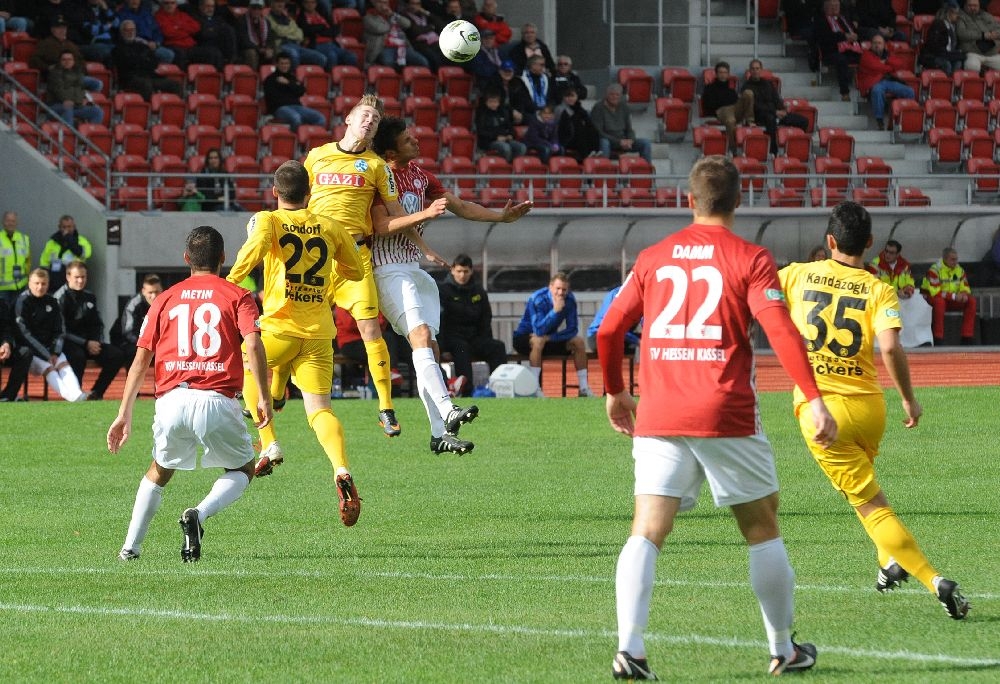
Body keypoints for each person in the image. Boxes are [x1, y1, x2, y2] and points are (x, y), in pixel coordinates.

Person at [596, 155, 837, 679]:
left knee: (646, 530)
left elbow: (609, 331)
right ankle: (782, 648)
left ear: (689, 201)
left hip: (658, 411)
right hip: (724, 409)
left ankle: (630, 650)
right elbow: (780, 331)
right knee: (761, 526)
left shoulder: (654, 256)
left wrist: (616, 392)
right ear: (738, 201)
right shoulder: (750, 258)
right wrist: (813, 396)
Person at [778, 201, 969, 621]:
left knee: (869, 504)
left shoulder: (795, 274)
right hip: (868, 407)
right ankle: (888, 564)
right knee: (865, 492)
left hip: (821, 409)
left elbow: (755, 297)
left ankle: (936, 581)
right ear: (869, 244)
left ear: (829, 241)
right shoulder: (877, 288)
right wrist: (908, 398)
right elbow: (889, 347)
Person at [109, 226, 271, 563]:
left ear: (186, 259)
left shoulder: (166, 298)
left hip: (172, 400)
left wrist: (124, 413)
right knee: (243, 469)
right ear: (224, 258)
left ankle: (130, 548)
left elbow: (142, 358)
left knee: (159, 470)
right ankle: (200, 512)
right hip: (217, 399)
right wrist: (264, 397)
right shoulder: (238, 295)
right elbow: (253, 343)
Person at [370, 117, 531, 452]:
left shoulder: (419, 175)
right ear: (389, 151)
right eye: (406, 138)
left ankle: (438, 434)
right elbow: (381, 226)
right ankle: (448, 408)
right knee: (421, 337)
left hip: (412, 268)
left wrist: (501, 217)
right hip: (386, 267)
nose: (415, 140)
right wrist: (425, 215)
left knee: (430, 348)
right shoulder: (377, 175)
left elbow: (460, 206)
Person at [226, 160, 367, 525]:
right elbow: (355, 269)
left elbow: (250, 254)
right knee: (320, 409)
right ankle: (341, 470)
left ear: (275, 192)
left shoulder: (268, 220)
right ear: (310, 194)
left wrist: (229, 283)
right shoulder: (331, 225)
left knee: (248, 367)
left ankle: (269, 441)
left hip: (278, 328)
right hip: (319, 333)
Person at [303, 94, 416, 437]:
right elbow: (296, 200)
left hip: (356, 255)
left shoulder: (378, 166)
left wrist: (421, 237)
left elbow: (397, 215)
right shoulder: (317, 156)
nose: (370, 121)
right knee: (301, 327)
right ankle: (277, 393)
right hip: (316, 257)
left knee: (370, 328)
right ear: (349, 120)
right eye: (365, 115)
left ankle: (385, 407)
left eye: (376, 120)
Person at [438, 253, 508, 397]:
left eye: (465, 271)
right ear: (452, 270)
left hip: (474, 337)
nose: (462, 275)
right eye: (459, 271)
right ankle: (466, 391)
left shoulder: (478, 291)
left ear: (471, 271)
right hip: (454, 338)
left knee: (497, 347)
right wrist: (442, 347)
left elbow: (485, 318)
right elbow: (441, 320)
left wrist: (486, 340)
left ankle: (500, 386)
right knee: (462, 349)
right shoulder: (443, 290)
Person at [513, 272, 594, 397]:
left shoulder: (570, 300)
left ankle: (583, 388)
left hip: (548, 338)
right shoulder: (537, 298)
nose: (561, 293)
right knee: (538, 340)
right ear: (550, 287)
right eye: (558, 289)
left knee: (578, 341)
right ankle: (534, 388)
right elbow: (538, 330)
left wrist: (551, 337)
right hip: (524, 337)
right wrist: (555, 311)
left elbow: (572, 329)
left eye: (564, 289)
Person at [13, 269, 87, 402]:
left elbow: (60, 330)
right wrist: (46, 354)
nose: (40, 287)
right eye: (37, 283)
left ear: (48, 284)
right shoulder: (22, 302)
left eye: (44, 284)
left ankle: (78, 394)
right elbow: (24, 334)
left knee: (63, 362)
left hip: (51, 350)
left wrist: (55, 351)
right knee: (49, 367)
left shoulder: (52, 301)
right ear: (29, 283)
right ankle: (72, 397)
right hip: (31, 353)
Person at [54, 260, 124, 401]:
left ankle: (96, 393)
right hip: (68, 342)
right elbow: (61, 330)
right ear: (68, 277)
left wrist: (96, 342)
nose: (80, 281)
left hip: (89, 342)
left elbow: (97, 323)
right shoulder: (59, 298)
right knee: (77, 356)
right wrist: (86, 343)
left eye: (83, 277)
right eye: (77, 277)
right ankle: (76, 394)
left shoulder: (89, 296)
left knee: (116, 355)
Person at [868, 240, 933, 348]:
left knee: (919, 302)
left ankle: (921, 339)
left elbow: (909, 281)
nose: (887, 255)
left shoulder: (904, 265)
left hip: (900, 296)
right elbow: (874, 285)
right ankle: (890, 342)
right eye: (886, 251)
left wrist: (908, 291)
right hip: (882, 297)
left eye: (891, 253)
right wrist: (895, 292)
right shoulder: (875, 264)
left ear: (898, 254)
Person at [741, 59, 809, 154]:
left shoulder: (768, 83)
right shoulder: (746, 87)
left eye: (757, 68)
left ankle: (796, 149)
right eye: (753, 69)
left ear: (761, 69)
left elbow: (776, 98)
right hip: (760, 115)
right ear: (750, 71)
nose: (755, 71)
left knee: (804, 121)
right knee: (770, 119)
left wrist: (782, 110)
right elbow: (756, 106)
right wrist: (775, 112)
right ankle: (773, 153)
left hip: (776, 113)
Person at [114, 19, 184, 102]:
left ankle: (173, 110)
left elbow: (154, 62)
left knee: (175, 85)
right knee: (146, 85)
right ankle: (148, 110)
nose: (131, 32)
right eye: (127, 30)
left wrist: (141, 61)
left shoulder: (142, 45)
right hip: (130, 79)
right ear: (122, 32)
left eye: (133, 30)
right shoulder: (117, 49)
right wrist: (143, 60)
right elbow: (128, 65)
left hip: (149, 76)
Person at [921, 247, 977, 345]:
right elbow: (935, 292)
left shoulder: (959, 270)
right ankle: (938, 338)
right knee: (939, 303)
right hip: (932, 298)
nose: (955, 262)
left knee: (971, 301)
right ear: (945, 259)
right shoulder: (934, 270)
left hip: (950, 299)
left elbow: (965, 286)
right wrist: (955, 296)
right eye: (952, 259)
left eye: (956, 259)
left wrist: (964, 294)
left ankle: (967, 337)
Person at [858, 34, 915, 130]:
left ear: (884, 45)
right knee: (877, 90)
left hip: (888, 81)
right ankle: (880, 120)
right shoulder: (865, 55)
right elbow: (875, 66)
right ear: (871, 45)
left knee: (910, 91)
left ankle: (904, 119)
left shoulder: (888, 54)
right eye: (875, 43)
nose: (877, 45)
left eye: (879, 43)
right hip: (873, 82)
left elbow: (900, 64)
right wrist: (889, 67)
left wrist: (886, 61)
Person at [262, 52, 326, 132]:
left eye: (287, 63)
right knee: (296, 118)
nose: (284, 66)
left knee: (320, 118)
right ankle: (295, 141)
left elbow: (301, 91)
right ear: (277, 64)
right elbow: (272, 99)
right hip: (280, 109)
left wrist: (288, 84)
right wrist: (291, 89)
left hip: (297, 106)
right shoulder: (270, 80)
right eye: (282, 63)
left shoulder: (291, 78)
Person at [590, 83, 653, 163]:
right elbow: (598, 132)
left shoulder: (624, 107)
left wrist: (630, 140)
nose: (614, 97)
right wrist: (618, 142)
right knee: (604, 142)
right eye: (612, 94)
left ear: (621, 96)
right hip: (608, 140)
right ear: (606, 95)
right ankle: (603, 170)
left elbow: (629, 129)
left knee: (645, 143)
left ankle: (646, 172)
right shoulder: (598, 108)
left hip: (623, 141)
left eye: (617, 95)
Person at [112, 273, 163, 371]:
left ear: (162, 290)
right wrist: (147, 344)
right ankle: (133, 383)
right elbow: (128, 332)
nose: (154, 296)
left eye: (157, 292)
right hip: (129, 341)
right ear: (143, 291)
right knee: (133, 352)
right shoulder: (134, 304)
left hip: (154, 342)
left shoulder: (166, 302)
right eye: (150, 292)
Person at [702, 60, 755, 153]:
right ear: (716, 74)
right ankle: (733, 151)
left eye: (725, 72)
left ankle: (750, 120)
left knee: (748, 93)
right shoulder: (709, 88)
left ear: (728, 74)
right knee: (731, 120)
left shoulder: (731, 91)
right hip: (721, 111)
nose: (723, 75)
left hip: (733, 109)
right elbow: (708, 105)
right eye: (720, 72)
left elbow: (735, 102)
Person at [155, 0, 224, 70]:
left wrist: (178, 27)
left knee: (213, 52)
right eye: (166, 3)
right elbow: (168, 33)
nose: (170, 5)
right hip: (173, 45)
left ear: (176, 4)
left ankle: (213, 78)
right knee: (181, 55)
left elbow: (196, 27)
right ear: (162, 4)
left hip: (189, 46)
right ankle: (182, 79)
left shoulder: (182, 14)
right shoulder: (158, 16)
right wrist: (186, 31)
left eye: (172, 3)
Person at [816, 0, 862, 101]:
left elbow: (855, 31)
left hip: (850, 49)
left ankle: (865, 89)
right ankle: (845, 93)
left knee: (866, 57)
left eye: (837, 5)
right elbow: (825, 38)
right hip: (831, 51)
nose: (835, 8)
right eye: (831, 6)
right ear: (825, 7)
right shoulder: (821, 20)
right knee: (842, 60)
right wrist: (844, 37)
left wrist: (855, 36)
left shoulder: (844, 19)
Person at [363, 0, 430, 68]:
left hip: (402, 47)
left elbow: (407, 24)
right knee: (388, 62)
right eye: (380, 2)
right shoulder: (368, 17)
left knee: (423, 62)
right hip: (384, 47)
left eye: (385, 3)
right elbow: (380, 29)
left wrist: (392, 14)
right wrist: (392, 21)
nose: (383, 5)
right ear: (375, 4)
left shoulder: (392, 15)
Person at [46, 50, 104, 126]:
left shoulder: (77, 74)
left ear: (73, 61)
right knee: (68, 106)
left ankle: (87, 135)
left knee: (97, 111)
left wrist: (85, 100)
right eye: (64, 60)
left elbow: (81, 91)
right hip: (56, 106)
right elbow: (61, 94)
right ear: (59, 62)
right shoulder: (55, 75)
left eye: (69, 59)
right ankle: (69, 135)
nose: (67, 62)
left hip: (75, 105)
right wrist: (79, 100)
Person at [39, 214, 93, 293]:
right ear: (59, 227)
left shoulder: (82, 241)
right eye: (64, 227)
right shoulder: (52, 242)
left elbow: (85, 254)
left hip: (74, 282)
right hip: (55, 282)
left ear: (74, 226)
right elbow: (44, 262)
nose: (66, 230)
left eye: (69, 227)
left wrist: (69, 240)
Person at [297, 0, 359, 69]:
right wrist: (322, 28)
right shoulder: (301, 17)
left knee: (351, 56)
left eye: (313, 2)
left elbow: (335, 30)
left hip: (332, 44)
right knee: (332, 55)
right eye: (307, 2)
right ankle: (331, 77)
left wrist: (319, 31)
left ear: (316, 4)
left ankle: (349, 77)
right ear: (303, 4)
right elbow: (307, 30)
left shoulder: (322, 14)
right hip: (317, 45)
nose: (310, 5)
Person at [267, 0, 327, 69]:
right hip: (281, 46)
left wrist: (287, 34)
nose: (280, 4)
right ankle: (293, 78)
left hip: (296, 45)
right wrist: (292, 30)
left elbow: (300, 34)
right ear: (271, 4)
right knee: (294, 54)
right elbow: (279, 31)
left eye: (282, 2)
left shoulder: (288, 18)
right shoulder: (268, 18)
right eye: (277, 2)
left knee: (321, 58)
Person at [116, 0, 175, 66]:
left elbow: (157, 31)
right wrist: (144, 43)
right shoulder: (122, 14)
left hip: (151, 44)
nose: (135, 1)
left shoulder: (146, 13)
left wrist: (156, 43)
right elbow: (125, 34)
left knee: (169, 54)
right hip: (135, 45)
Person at [474, 89, 527, 162]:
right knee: (505, 148)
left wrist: (510, 135)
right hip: (489, 141)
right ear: (486, 102)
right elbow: (481, 131)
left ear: (499, 103)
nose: (493, 104)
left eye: (495, 102)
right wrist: (496, 137)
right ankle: (505, 168)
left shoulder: (503, 112)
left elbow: (510, 128)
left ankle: (515, 166)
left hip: (505, 139)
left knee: (522, 147)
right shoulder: (482, 114)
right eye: (491, 102)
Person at [587, 284, 639, 354]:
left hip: (621, 335)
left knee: (649, 339)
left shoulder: (642, 295)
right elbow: (613, 327)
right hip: (599, 335)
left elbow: (646, 321)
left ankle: (649, 364)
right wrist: (637, 340)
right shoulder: (617, 295)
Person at [918, 1, 964, 76]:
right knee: (946, 64)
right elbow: (933, 46)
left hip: (947, 55)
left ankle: (953, 82)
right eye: (955, 13)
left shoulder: (953, 27)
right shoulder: (938, 25)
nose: (957, 16)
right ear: (948, 13)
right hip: (933, 56)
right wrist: (948, 55)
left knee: (958, 62)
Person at [555, 87, 600, 162]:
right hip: (565, 137)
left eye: (572, 96)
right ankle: (585, 155)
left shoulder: (579, 108)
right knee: (580, 129)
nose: (570, 98)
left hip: (578, 136)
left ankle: (595, 151)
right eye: (567, 96)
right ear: (563, 97)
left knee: (592, 129)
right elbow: (559, 126)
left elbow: (588, 123)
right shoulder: (560, 109)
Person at [0, 295, 31, 402]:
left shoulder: (2, 303)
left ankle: (8, 396)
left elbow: (7, 329)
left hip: (1, 349)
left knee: (25, 353)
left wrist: (6, 344)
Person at [957, 0, 1000, 74]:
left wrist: (995, 34)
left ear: (979, 6)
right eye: (970, 5)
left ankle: (990, 85)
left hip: (992, 53)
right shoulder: (960, 16)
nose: (973, 8)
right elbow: (961, 33)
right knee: (972, 66)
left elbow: (998, 28)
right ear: (965, 6)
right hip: (973, 53)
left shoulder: (986, 15)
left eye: (975, 5)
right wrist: (983, 35)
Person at [399, 0, 443, 70]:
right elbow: (414, 31)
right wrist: (431, 27)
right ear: (408, 5)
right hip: (419, 44)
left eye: (417, 4)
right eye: (412, 3)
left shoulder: (424, 14)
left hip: (435, 42)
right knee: (434, 58)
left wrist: (427, 13)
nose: (415, 6)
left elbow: (440, 24)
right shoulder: (404, 15)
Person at [0, 211, 31, 308]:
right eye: (8, 220)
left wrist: (26, 272)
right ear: (3, 222)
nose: (10, 223)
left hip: (20, 284)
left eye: (13, 221)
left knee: (17, 312)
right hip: (2, 287)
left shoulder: (24, 238)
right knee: (3, 315)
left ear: (16, 222)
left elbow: (28, 260)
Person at [486, 59, 532, 124]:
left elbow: (526, 100)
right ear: (500, 71)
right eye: (505, 71)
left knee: (535, 118)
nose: (507, 73)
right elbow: (494, 102)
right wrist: (512, 111)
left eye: (510, 71)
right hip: (499, 111)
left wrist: (520, 112)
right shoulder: (493, 83)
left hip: (518, 112)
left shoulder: (519, 82)